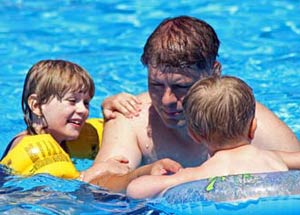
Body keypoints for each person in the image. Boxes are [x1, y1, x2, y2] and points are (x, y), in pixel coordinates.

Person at [82, 15, 299, 182]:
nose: (166, 100)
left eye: (181, 86)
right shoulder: (132, 116)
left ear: (214, 73)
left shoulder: (247, 118)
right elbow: (99, 186)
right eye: (155, 85)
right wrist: (139, 175)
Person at [126, 76, 300, 199]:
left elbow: (135, 190)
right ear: (253, 128)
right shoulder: (273, 158)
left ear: (194, 135)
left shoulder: (196, 174)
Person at [1, 59, 95, 159]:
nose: (83, 110)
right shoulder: (30, 148)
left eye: (86, 103)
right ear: (37, 105)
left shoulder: (62, 141)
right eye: (72, 100)